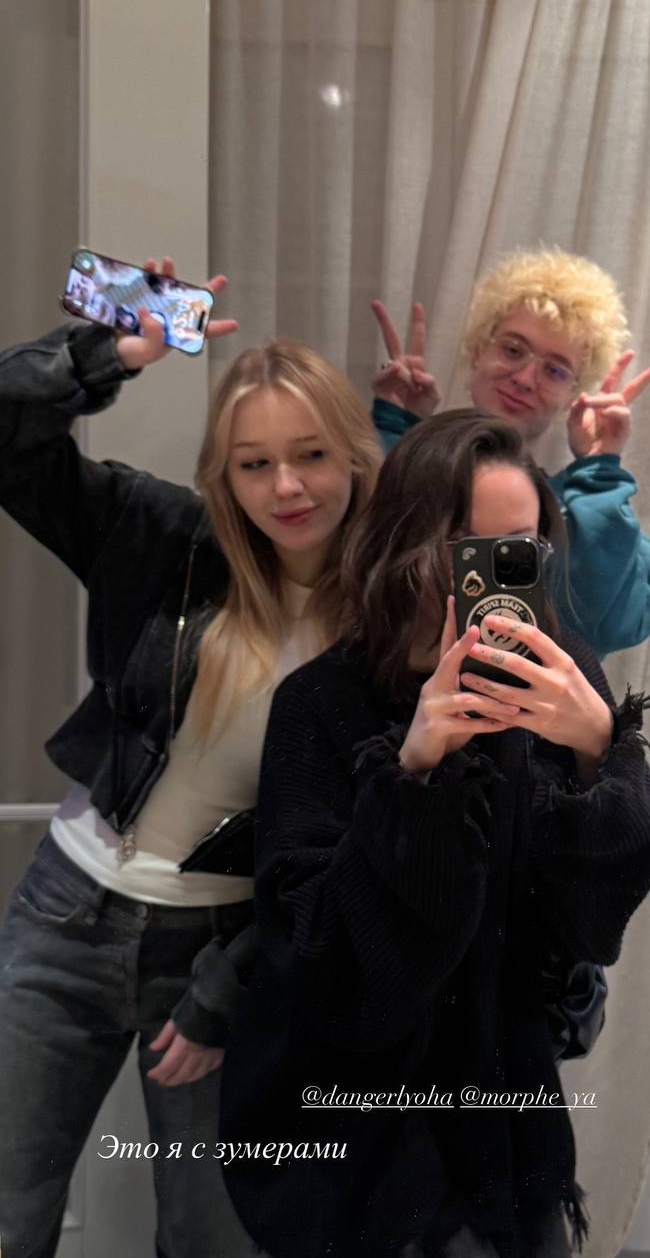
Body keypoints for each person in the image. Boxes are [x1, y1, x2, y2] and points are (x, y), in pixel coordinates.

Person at [220, 410, 650, 1258]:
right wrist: (415, 769)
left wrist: (597, 747)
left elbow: (597, 919)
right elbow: (321, 962)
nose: (494, 574)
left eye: (519, 550)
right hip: (351, 1141)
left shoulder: (562, 684)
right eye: (468, 549)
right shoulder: (322, 704)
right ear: (406, 544)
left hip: (505, 1132)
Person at [0, 258, 384, 1258]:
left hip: (225, 948)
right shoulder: (160, 536)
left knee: (216, 1237)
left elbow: (354, 846)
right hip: (66, 915)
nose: (286, 486)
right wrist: (112, 351)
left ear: (355, 455)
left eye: (311, 455)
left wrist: (229, 984)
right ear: (225, 473)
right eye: (255, 463)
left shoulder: (387, 622)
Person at [370, 248, 650, 660]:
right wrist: (401, 433)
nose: (526, 379)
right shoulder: (403, 462)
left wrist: (598, 471)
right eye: (513, 350)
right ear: (479, 347)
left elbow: (606, 622)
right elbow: (365, 557)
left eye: (554, 370)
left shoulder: (575, 512)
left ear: (572, 393)